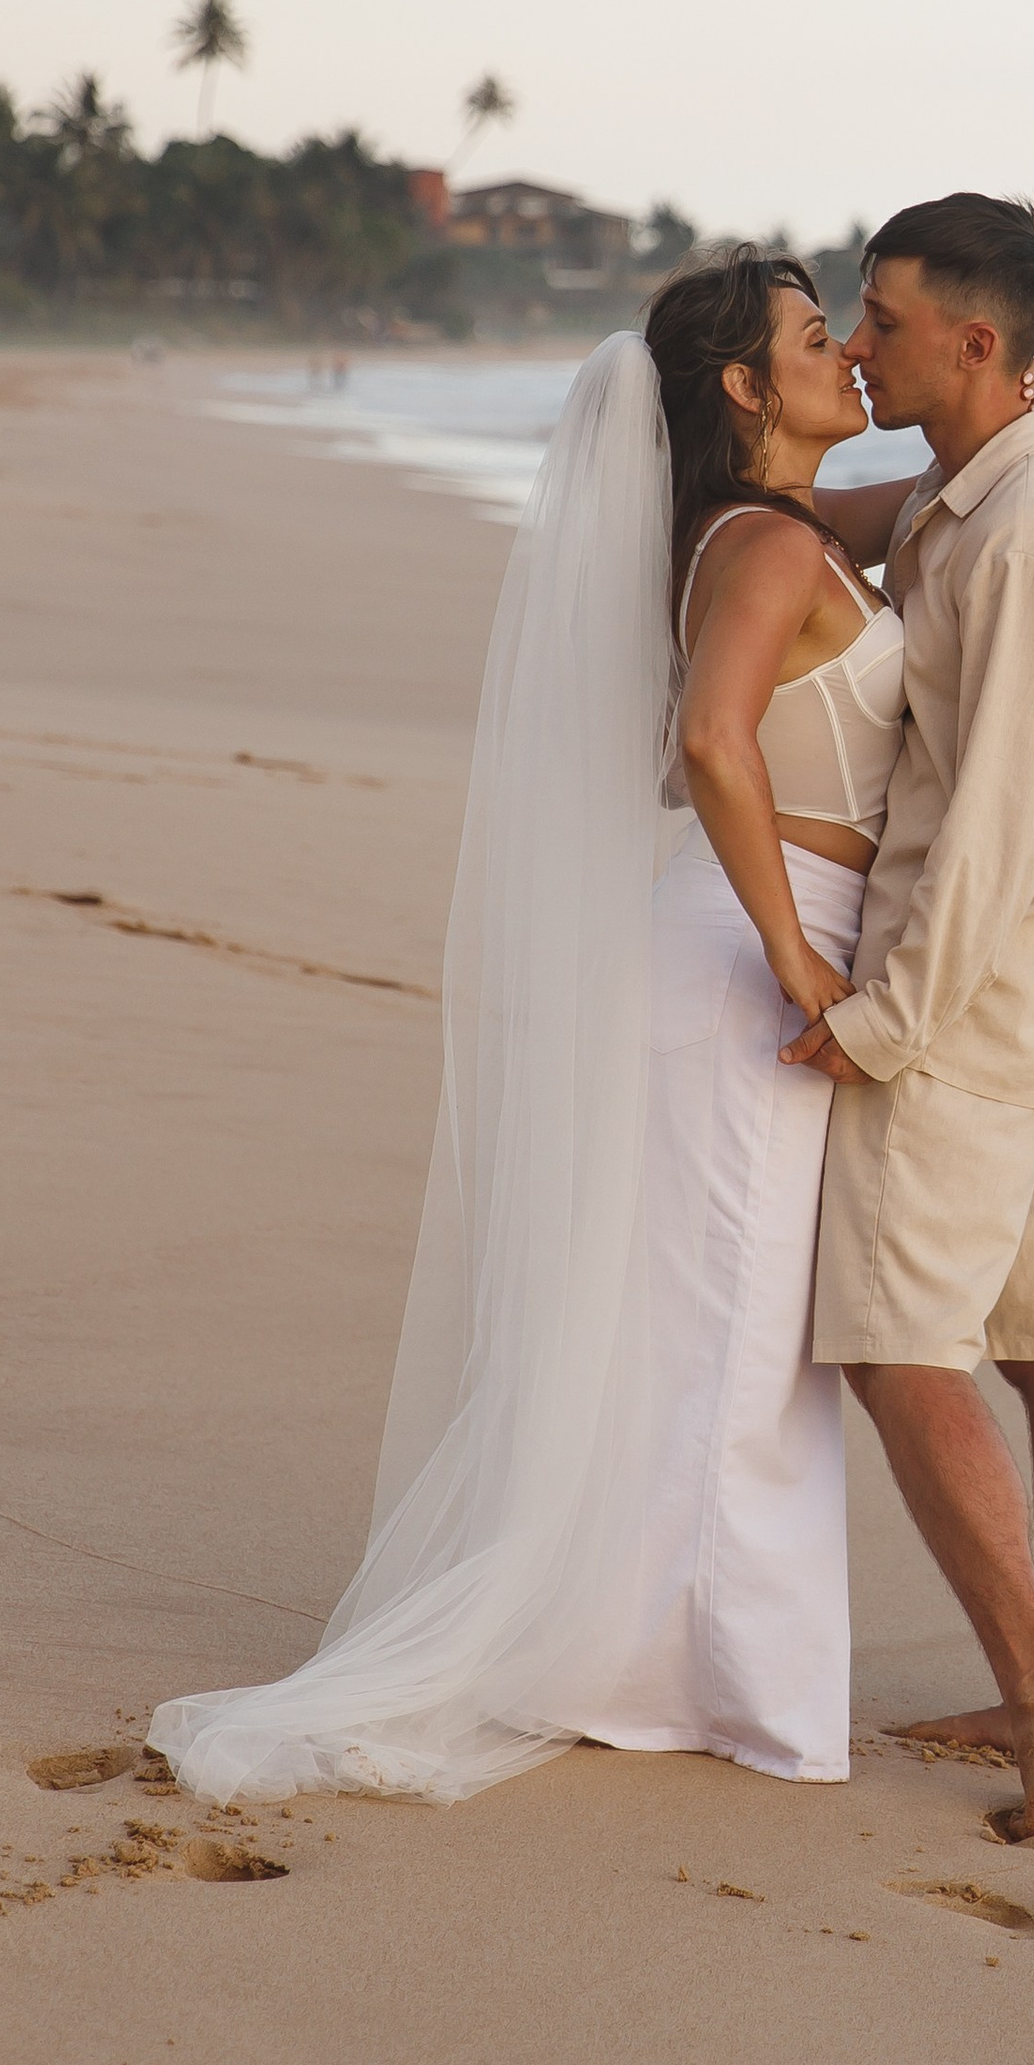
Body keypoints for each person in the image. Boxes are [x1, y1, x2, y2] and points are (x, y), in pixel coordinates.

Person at [150, 247, 915, 1801]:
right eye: (811, 337)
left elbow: (940, 506)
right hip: (742, 961)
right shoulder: (764, 548)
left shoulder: (774, 527)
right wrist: (795, 955)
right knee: (733, 1338)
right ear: (741, 389)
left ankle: (667, 1662)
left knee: (716, 1332)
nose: (844, 354)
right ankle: (685, 1680)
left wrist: (1004, 417)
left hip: (727, 948)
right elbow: (712, 737)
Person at [797, 194, 1034, 1841]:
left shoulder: (1030, 546)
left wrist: (882, 1025)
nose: (861, 347)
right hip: (1032, 1022)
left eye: (884, 321)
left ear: (976, 342)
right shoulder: (963, 494)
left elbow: (990, 823)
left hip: (967, 1026)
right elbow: (839, 517)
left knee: (894, 1346)